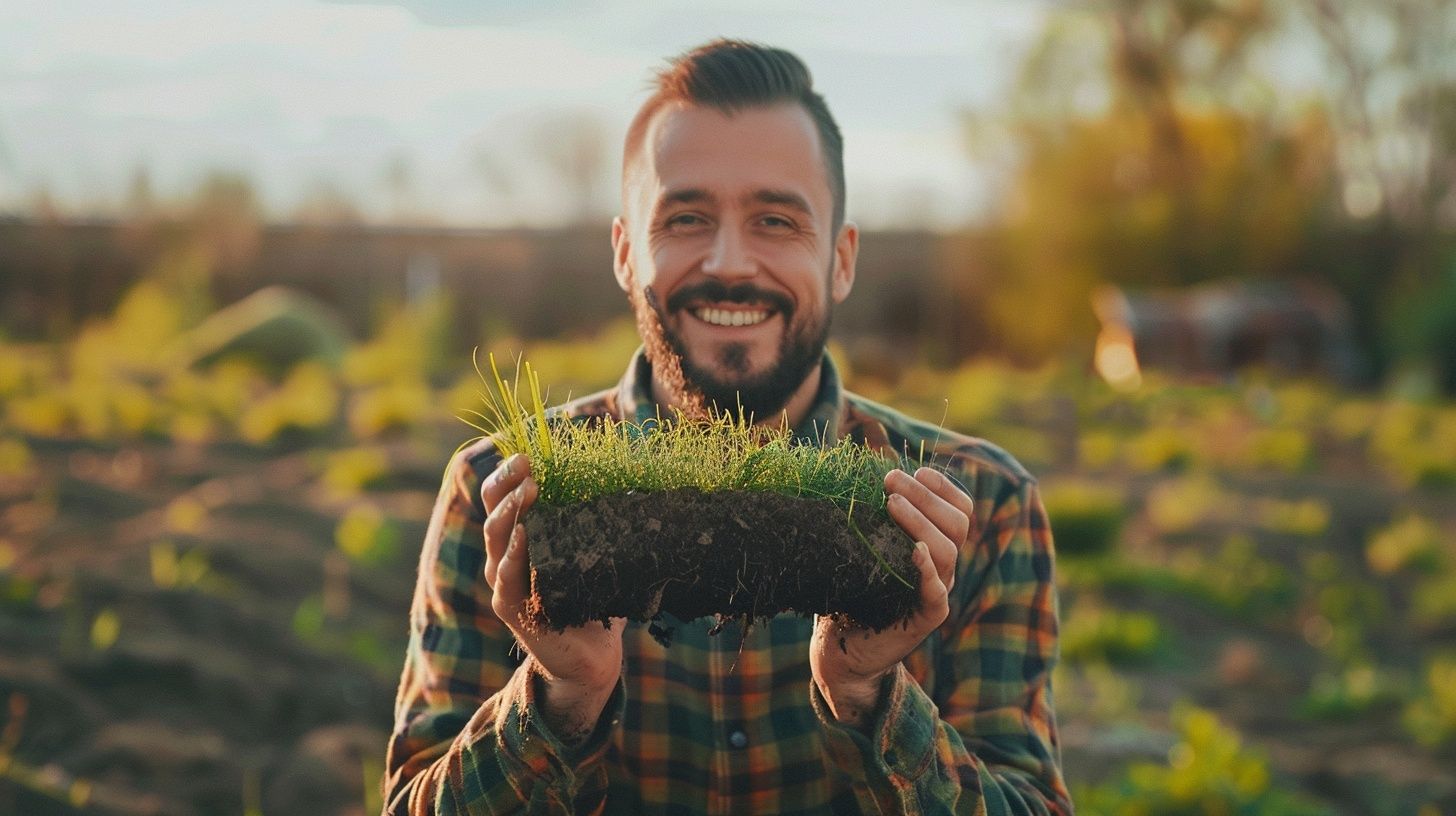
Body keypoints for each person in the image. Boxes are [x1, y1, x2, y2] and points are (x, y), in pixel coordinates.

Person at [384, 39, 1070, 815]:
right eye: (685, 217)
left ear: (842, 259)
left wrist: (871, 696)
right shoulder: (505, 495)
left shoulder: (977, 504)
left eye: (776, 220)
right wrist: (559, 699)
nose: (730, 262)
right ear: (623, 252)